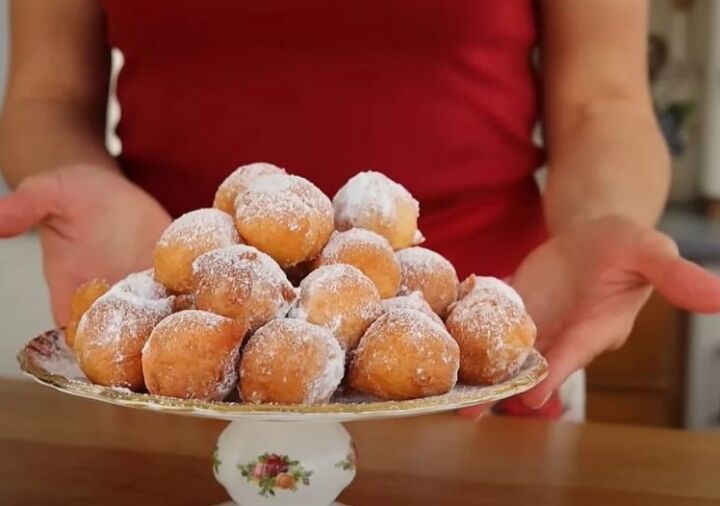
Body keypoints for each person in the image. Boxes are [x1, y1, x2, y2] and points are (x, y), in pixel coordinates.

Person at [1, 0, 719, 418]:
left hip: (475, 365)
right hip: (170, 366)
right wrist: (77, 178)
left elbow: (603, 101)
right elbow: (47, 95)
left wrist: (602, 219)